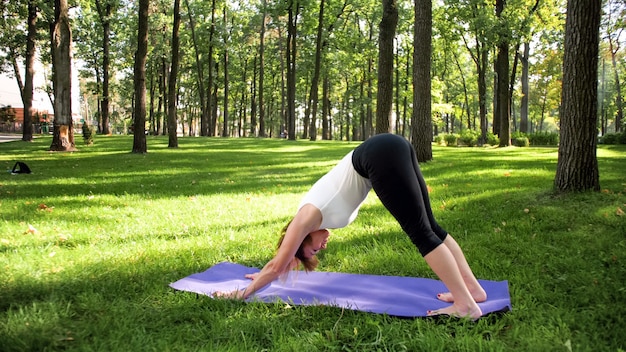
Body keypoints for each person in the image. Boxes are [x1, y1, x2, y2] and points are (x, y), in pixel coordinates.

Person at [216, 133, 486, 319]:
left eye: (314, 250)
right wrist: (264, 271)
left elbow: (279, 264)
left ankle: (465, 305)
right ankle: (473, 290)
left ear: (301, 239)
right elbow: (281, 263)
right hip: (389, 147)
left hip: (378, 155)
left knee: (421, 233)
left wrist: (242, 293)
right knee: (432, 228)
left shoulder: (306, 217)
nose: (322, 247)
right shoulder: (309, 222)